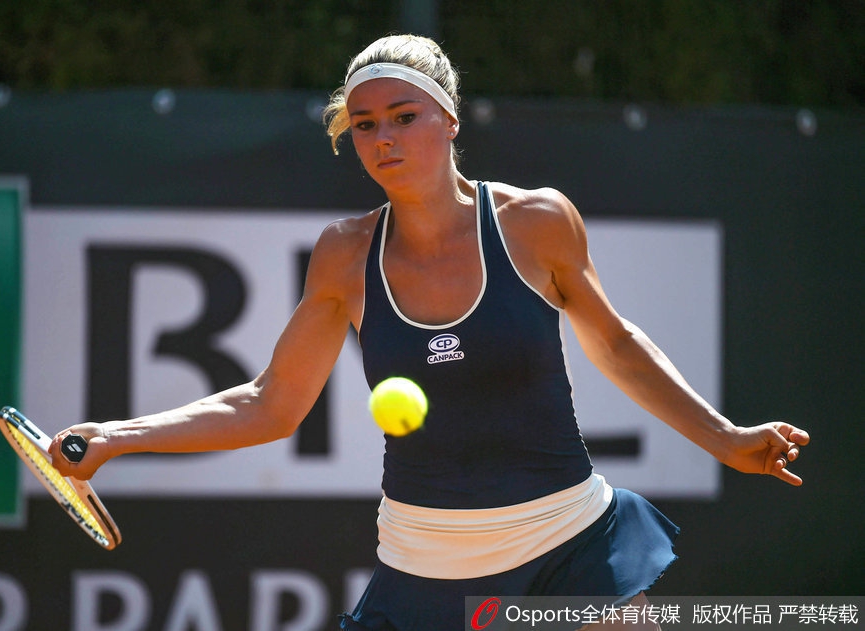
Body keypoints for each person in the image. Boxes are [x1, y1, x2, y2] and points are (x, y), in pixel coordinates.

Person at [51, 34, 810, 630]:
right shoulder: (344, 254)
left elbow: (614, 343)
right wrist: (116, 437)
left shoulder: (537, 222)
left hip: (571, 547)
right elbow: (271, 403)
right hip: (423, 573)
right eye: (365, 125)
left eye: (404, 116)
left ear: (449, 118)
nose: (383, 138)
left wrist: (724, 437)